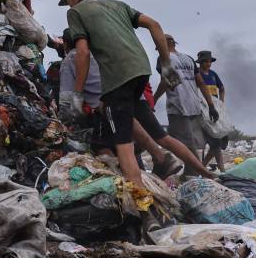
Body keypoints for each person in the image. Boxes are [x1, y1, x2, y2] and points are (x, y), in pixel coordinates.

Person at [59, 0, 214, 191]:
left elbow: (82, 53)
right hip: (141, 71)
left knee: (124, 147)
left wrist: (77, 95)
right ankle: (207, 173)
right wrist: (166, 65)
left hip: (117, 79)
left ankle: (142, 207)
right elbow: (154, 24)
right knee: (161, 135)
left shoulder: (75, 12)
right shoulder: (117, 4)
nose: (69, 3)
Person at [60, 46, 183, 178]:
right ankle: (160, 161)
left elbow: (66, 100)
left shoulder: (72, 59)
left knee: (102, 145)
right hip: (132, 100)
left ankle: (121, 180)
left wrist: (67, 118)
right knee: (134, 141)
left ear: (66, 45)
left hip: (108, 105)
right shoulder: (102, 53)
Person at [153, 36, 218, 174]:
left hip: (178, 105)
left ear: (163, 44)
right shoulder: (188, 59)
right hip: (193, 105)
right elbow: (200, 82)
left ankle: (194, 173)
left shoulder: (164, 58)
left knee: (180, 141)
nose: (158, 50)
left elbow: (167, 81)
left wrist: (153, 99)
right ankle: (188, 172)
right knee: (181, 139)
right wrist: (211, 105)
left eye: (158, 46)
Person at [196, 50, 228, 172]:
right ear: (200, 62)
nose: (208, 63)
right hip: (202, 111)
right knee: (214, 142)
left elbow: (222, 88)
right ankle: (221, 170)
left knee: (216, 142)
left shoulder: (213, 74)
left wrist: (221, 103)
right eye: (206, 61)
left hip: (214, 110)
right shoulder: (197, 74)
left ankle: (202, 166)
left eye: (209, 61)